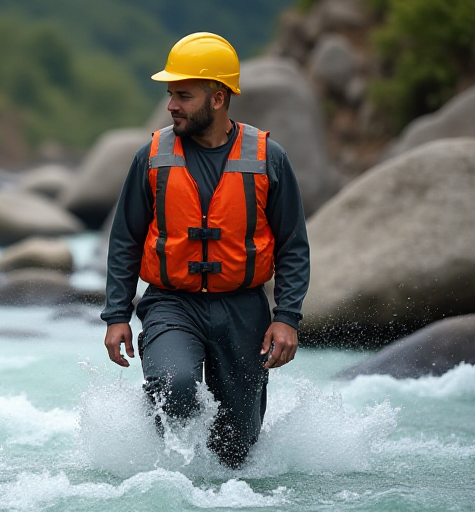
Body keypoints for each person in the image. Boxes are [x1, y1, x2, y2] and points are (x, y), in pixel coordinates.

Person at [101, 32, 310, 469]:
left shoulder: (269, 158)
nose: (171, 105)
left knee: (237, 453)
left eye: (183, 95)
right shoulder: (151, 157)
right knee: (174, 386)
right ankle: (165, 469)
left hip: (245, 311)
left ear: (217, 98)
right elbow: (125, 240)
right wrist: (117, 314)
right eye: (170, 95)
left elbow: (293, 246)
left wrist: (287, 318)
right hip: (171, 304)